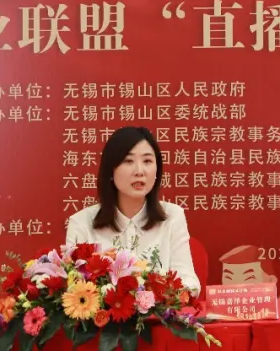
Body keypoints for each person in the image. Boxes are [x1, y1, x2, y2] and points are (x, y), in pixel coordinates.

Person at [65, 126, 201, 295]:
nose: (139, 171)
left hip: (159, 312)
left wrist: (155, 296)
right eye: (128, 161)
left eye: (147, 161)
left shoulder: (173, 216)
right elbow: (72, 287)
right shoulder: (81, 223)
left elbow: (189, 282)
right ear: (111, 170)